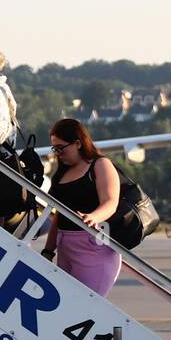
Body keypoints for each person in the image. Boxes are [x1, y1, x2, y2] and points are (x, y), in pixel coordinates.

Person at [40, 118, 122, 298]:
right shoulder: (61, 172)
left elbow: (110, 202)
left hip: (93, 248)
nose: (58, 153)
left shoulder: (100, 165)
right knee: (66, 306)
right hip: (65, 248)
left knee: (87, 307)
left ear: (78, 143)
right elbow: (58, 216)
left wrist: (93, 217)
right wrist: (48, 249)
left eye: (61, 148)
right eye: (55, 149)